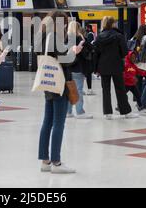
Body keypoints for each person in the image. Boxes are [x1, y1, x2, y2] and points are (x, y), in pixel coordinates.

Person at [38, 12, 82, 174]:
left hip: (47, 81)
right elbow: (66, 60)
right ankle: (56, 162)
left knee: (47, 122)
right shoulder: (54, 38)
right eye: (64, 24)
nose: (64, 26)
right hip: (60, 82)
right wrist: (74, 52)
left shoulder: (42, 37)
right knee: (58, 123)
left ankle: (45, 161)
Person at [94, 16, 138, 120]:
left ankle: (107, 113)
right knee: (120, 89)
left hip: (103, 66)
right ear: (113, 24)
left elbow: (96, 54)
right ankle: (126, 112)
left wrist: (96, 69)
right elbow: (125, 52)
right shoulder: (119, 36)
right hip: (117, 66)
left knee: (106, 89)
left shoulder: (99, 37)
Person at [66, 21, 93, 119]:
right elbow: (89, 49)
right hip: (78, 67)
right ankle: (80, 112)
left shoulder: (66, 38)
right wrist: (83, 38)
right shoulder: (79, 38)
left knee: (69, 90)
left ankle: (68, 112)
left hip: (68, 68)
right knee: (78, 90)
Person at [84, 24, 96, 95]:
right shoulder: (93, 33)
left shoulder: (89, 34)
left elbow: (89, 43)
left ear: (88, 28)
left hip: (89, 54)